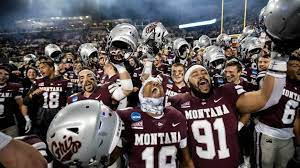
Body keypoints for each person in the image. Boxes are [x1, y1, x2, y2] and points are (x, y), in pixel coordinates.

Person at [169, 56, 286, 167]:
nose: (201, 76)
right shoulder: (179, 101)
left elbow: (268, 98)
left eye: (204, 73)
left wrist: (279, 58)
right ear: (188, 83)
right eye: (195, 74)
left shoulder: (226, 92)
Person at [110, 77, 195, 168]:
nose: (155, 84)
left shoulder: (176, 116)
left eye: (159, 84)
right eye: (149, 84)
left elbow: (186, 159)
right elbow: (111, 158)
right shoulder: (126, 116)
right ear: (141, 93)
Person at [254, 55, 300, 168]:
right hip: (268, 133)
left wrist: (298, 144)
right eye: (294, 66)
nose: (299, 68)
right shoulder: (276, 80)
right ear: (285, 67)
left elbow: (297, 118)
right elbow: (262, 89)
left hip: (288, 137)